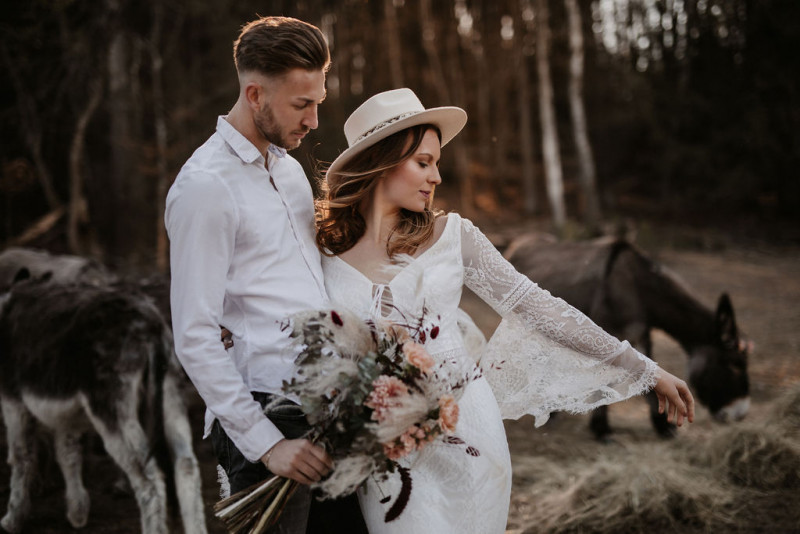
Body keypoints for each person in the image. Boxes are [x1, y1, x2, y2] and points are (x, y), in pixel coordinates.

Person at [316, 88, 695, 533]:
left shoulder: (453, 236)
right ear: (380, 163)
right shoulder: (322, 253)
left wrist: (643, 369)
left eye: (437, 162)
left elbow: (541, 309)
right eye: (424, 162)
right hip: (380, 455)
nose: (437, 177)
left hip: (466, 439)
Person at [165, 16, 365, 533]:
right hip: (266, 419)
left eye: (318, 101)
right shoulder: (206, 187)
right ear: (254, 94)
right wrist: (266, 443)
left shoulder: (289, 170)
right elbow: (194, 335)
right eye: (302, 105)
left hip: (330, 410)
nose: (315, 120)